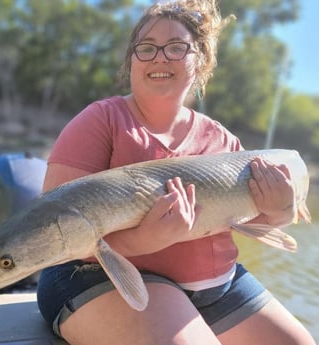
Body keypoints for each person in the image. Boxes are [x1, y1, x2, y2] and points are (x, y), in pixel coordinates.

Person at [36, 1, 316, 344]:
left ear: (200, 61)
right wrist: (145, 240)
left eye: (176, 47)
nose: (159, 57)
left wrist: (282, 210)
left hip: (218, 287)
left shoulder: (224, 140)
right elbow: (51, 237)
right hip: (100, 277)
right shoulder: (100, 121)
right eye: (147, 48)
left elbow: (255, 220)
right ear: (131, 61)